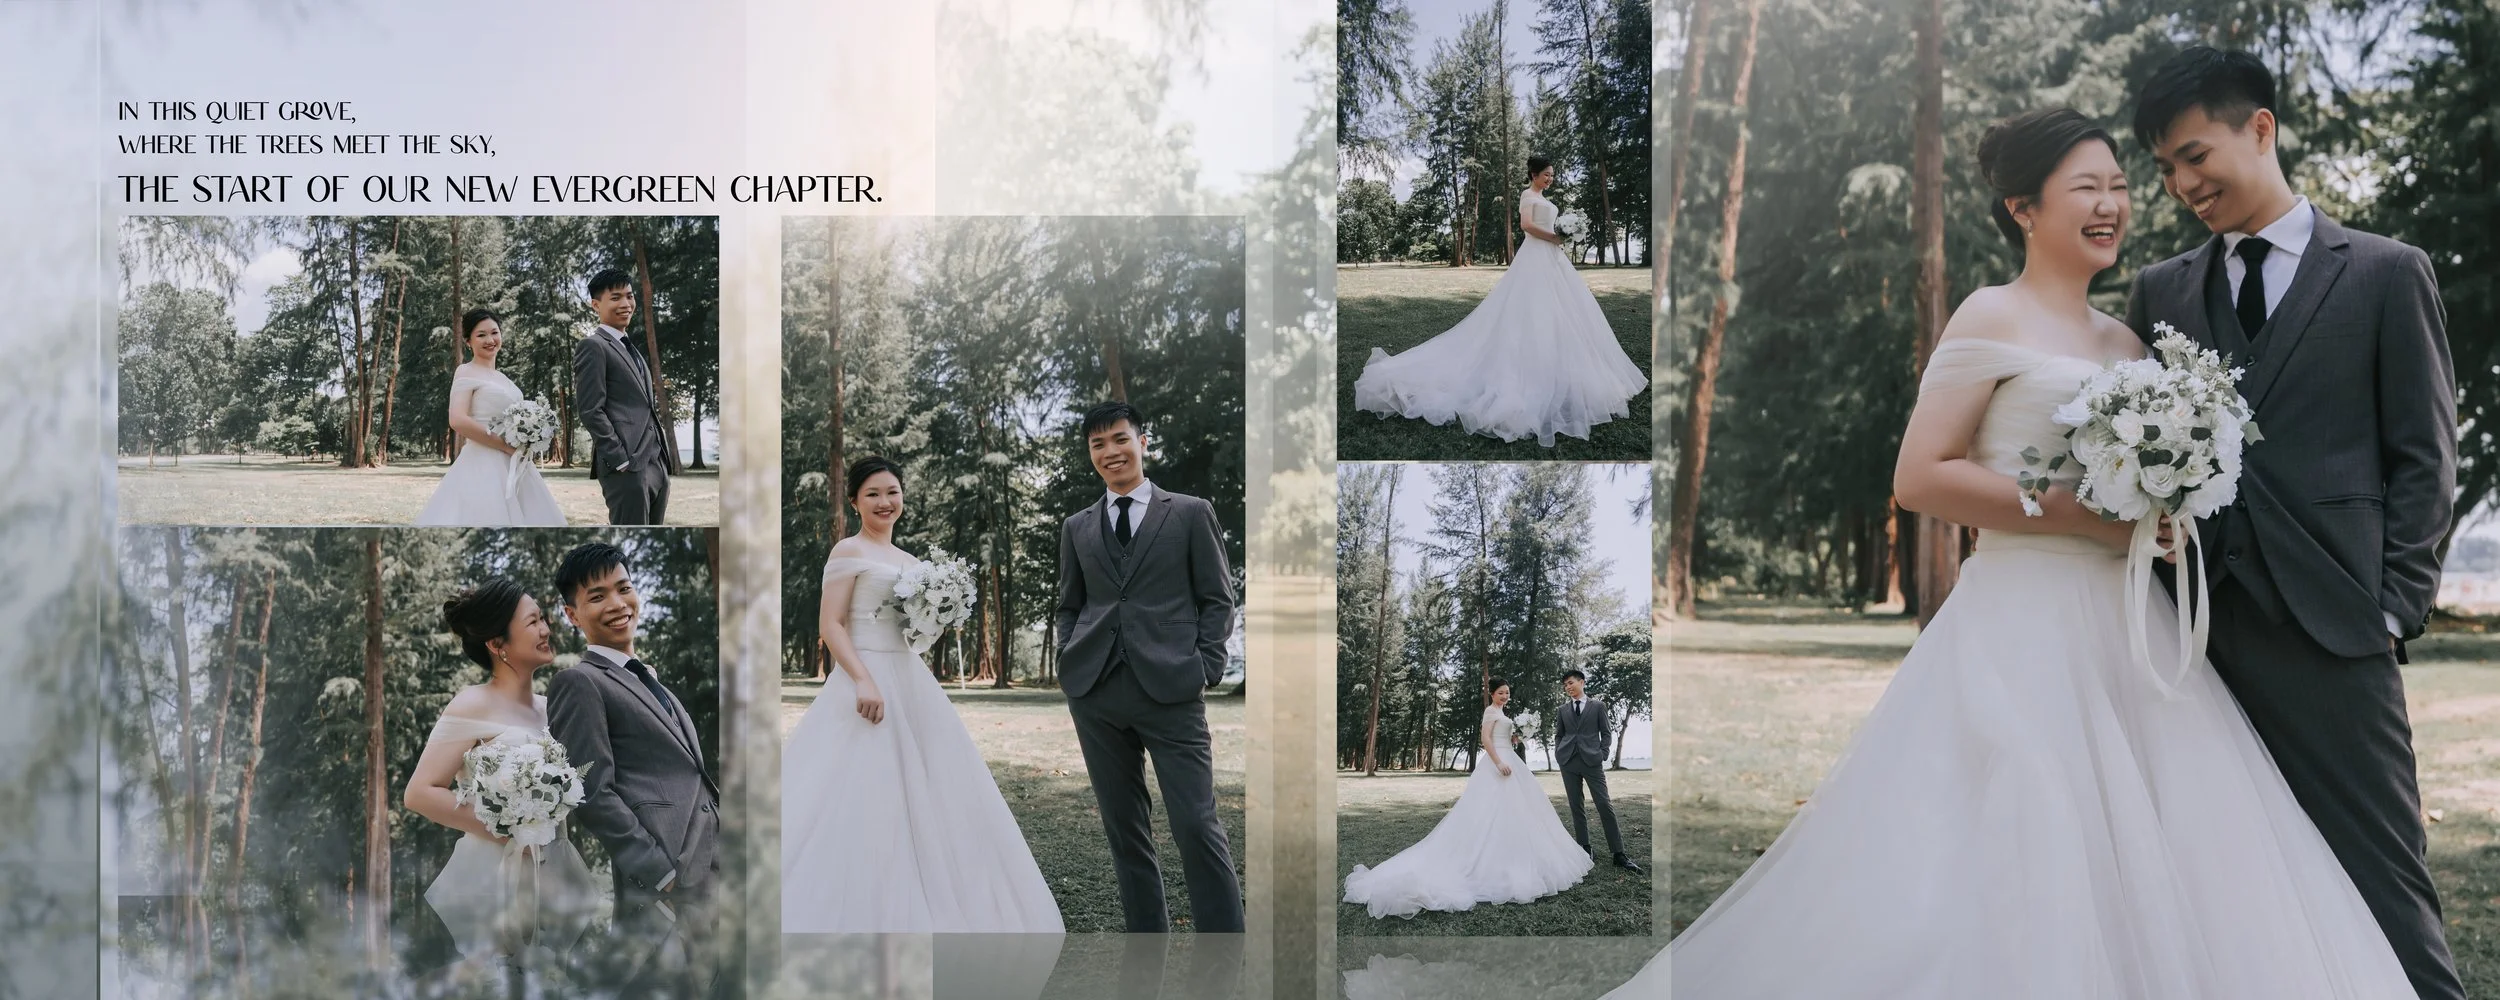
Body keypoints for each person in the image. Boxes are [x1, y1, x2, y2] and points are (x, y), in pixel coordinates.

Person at [1613, 107, 2418, 999]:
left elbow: (2144, 490)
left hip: (2131, 632)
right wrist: (2069, 510)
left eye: (2119, 186)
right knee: (2022, 835)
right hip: (2019, 621)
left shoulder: (2128, 341)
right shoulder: (1988, 315)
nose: (2111, 205)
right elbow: (1919, 478)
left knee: (2176, 851)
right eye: (2087, 189)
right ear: (2023, 208)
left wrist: (2164, 512)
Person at [2125, 46, 2461, 1000]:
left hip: (2336, 626)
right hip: (2196, 634)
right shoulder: (2162, 290)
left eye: (2195, 156)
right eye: (2166, 171)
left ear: (2260, 129)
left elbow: (2425, 456)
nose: (2184, 185)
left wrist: (2393, 607)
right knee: (2223, 883)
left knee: (2384, 880)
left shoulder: (2389, 274)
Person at [780, 456, 1063, 933]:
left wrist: (939, 614)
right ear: (854, 501)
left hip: (909, 679)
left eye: (892, 492)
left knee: (929, 787)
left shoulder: (911, 564)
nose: (884, 502)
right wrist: (863, 679)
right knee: (860, 788)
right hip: (863, 676)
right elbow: (830, 625)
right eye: (872, 494)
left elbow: (912, 634)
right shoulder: (848, 551)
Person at [1053, 401, 1244, 932]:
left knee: (1196, 824)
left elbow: (1217, 598)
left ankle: (1224, 953)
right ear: (1090, 454)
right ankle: (1146, 949)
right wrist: (1071, 654)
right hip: (1095, 694)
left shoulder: (1188, 512)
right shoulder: (1077, 527)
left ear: (1142, 441)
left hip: (1173, 691)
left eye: (1119, 439)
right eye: (1098, 444)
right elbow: (1069, 604)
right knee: (1125, 831)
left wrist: (1205, 665)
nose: (1110, 452)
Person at [1352, 156, 1646, 447]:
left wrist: (1562, 235)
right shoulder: (1526, 195)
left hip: (1553, 260)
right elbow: (1527, 226)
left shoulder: (1545, 197)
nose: (1549, 179)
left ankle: (1558, 367)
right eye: (1546, 174)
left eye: (1552, 175)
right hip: (1535, 256)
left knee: (1561, 313)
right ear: (1532, 174)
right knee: (1529, 309)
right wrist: (1555, 236)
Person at [403, 579, 597, 984]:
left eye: (543, 618)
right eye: (533, 622)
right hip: (495, 882)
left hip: (554, 877)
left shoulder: (552, 708)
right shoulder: (471, 703)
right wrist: (509, 829)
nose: (546, 629)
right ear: (497, 644)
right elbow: (420, 793)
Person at [544, 542, 718, 991]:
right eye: (597, 596)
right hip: (669, 879)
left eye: (624, 588)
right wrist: (660, 873)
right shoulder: (579, 682)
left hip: (715, 869)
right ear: (572, 615)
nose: (618, 604)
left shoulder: (648, 678)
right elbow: (591, 791)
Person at [1342, 677, 1592, 918]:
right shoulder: (1490, 712)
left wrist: (1517, 738)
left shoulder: (1503, 714)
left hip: (1510, 760)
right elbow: (1486, 739)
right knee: (1489, 814)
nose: (1505, 695)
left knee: (1519, 813)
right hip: (1499, 764)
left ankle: (1512, 858)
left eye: (1507, 692)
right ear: (1492, 694)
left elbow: (1501, 737)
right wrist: (1498, 763)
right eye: (1501, 692)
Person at [413, 309, 566, 526]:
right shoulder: (466, 371)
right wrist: (503, 445)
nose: (490, 340)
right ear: (468, 341)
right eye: (481, 335)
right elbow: (457, 419)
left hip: (516, 461)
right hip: (483, 461)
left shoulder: (503, 378)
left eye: (494, 332)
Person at [573, 269, 678, 525]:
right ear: (596, 305)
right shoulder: (593, 346)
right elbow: (590, 410)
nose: (626, 304)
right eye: (616, 297)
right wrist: (620, 460)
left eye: (629, 296)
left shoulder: (632, 350)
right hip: (627, 468)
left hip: (656, 464)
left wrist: (662, 465)